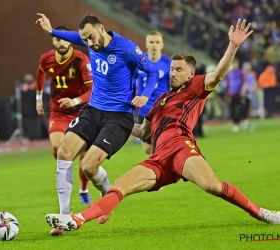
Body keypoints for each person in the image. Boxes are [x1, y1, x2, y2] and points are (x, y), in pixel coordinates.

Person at [44, 19, 280, 232]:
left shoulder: (195, 88)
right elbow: (142, 131)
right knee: (119, 186)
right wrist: (114, 126)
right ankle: (77, 219)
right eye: (171, 69)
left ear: (191, 73)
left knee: (213, 186)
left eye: (179, 70)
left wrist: (233, 46)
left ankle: (262, 213)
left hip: (180, 147)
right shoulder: (162, 99)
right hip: (159, 158)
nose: (172, 73)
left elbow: (217, 75)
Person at [36, 14, 158, 234]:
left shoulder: (127, 48)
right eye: (86, 39)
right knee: (63, 152)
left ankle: (106, 196)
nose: (89, 43)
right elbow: (73, 36)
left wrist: (146, 96)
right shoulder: (86, 38)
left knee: (88, 166)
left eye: (92, 37)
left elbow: (151, 71)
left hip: (119, 116)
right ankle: (64, 217)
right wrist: (51, 31)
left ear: (101, 28)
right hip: (93, 110)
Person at [35, 25, 94, 234]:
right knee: (58, 148)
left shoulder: (81, 60)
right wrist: (38, 98)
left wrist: (76, 99)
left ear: (69, 41)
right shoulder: (47, 58)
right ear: (53, 41)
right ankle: (64, 213)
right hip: (58, 112)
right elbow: (40, 74)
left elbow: (91, 89)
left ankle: (84, 188)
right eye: (56, 40)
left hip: (81, 112)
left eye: (63, 39)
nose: (60, 43)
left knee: (86, 162)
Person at [136, 30, 170, 154]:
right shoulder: (139, 61)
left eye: (157, 42)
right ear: (146, 44)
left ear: (162, 45)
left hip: (161, 110)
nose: (154, 45)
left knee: (160, 146)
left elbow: (173, 87)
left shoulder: (168, 64)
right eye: (151, 42)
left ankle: (161, 169)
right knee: (147, 149)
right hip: (144, 111)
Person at [225, 58, 245, 132]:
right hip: (231, 95)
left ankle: (239, 122)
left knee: (241, 109)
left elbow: (244, 82)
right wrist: (226, 95)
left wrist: (243, 90)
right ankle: (236, 123)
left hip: (239, 94)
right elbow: (228, 85)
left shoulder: (240, 72)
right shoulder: (229, 74)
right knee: (232, 110)